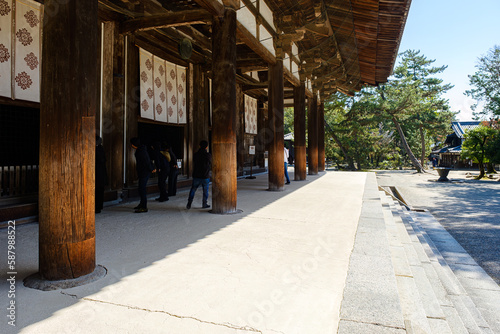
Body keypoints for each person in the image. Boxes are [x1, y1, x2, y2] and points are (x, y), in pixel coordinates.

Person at [130, 137, 155, 213]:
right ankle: (141, 204)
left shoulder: (141, 151)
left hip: (144, 172)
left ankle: (144, 207)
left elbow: (147, 161)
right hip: (143, 172)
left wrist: (151, 169)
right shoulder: (141, 149)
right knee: (141, 189)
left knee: (142, 189)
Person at [187, 140, 212, 209]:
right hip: (205, 175)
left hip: (196, 175)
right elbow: (210, 163)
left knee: (193, 189)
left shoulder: (195, 154)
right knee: (205, 191)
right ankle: (204, 204)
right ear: (207, 147)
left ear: (199, 146)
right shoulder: (208, 155)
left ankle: (189, 203)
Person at [95, 135, 108, 213]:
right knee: (100, 191)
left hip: (97, 174)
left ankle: (97, 207)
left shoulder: (97, 149)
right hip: (101, 174)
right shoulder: (101, 148)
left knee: (97, 192)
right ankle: (99, 207)